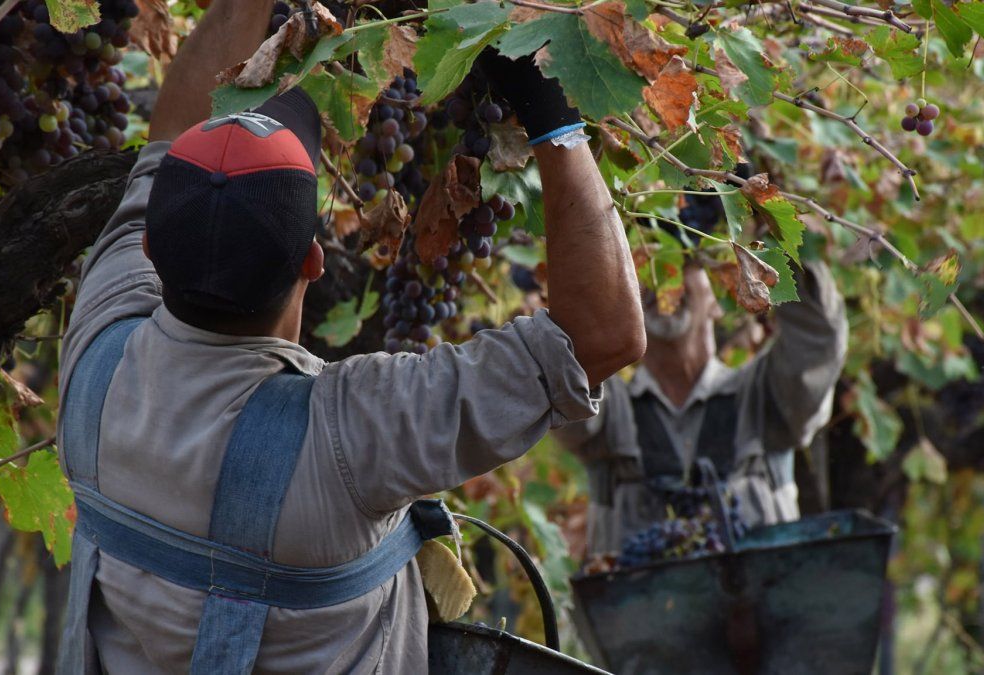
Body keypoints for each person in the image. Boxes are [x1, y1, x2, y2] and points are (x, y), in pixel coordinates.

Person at [53, 1, 645, 672]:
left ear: (151, 246)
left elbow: (171, 138)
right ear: (315, 259)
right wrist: (552, 111)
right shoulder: (350, 435)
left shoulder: (96, 352)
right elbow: (603, 336)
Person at [556, 196, 848, 558]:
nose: (664, 278)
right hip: (644, 613)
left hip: (759, 611)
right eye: (646, 268)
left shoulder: (765, 398)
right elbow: (566, 372)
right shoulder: (604, 412)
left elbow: (819, 341)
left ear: (718, 298)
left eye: (682, 262)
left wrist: (771, 217)